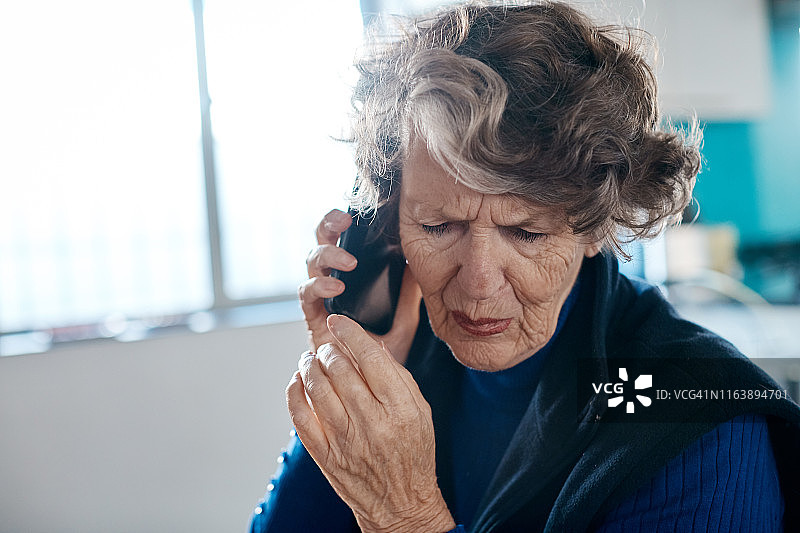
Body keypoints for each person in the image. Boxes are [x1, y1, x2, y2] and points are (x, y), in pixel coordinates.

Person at [250, 2, 800, 531]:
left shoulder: (695, 424)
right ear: (389, 226)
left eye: (527, 233)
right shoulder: (407, 353)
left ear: (594, 228)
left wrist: (405, 518)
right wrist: (350, 376)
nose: (479, 282)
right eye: (438, 226)